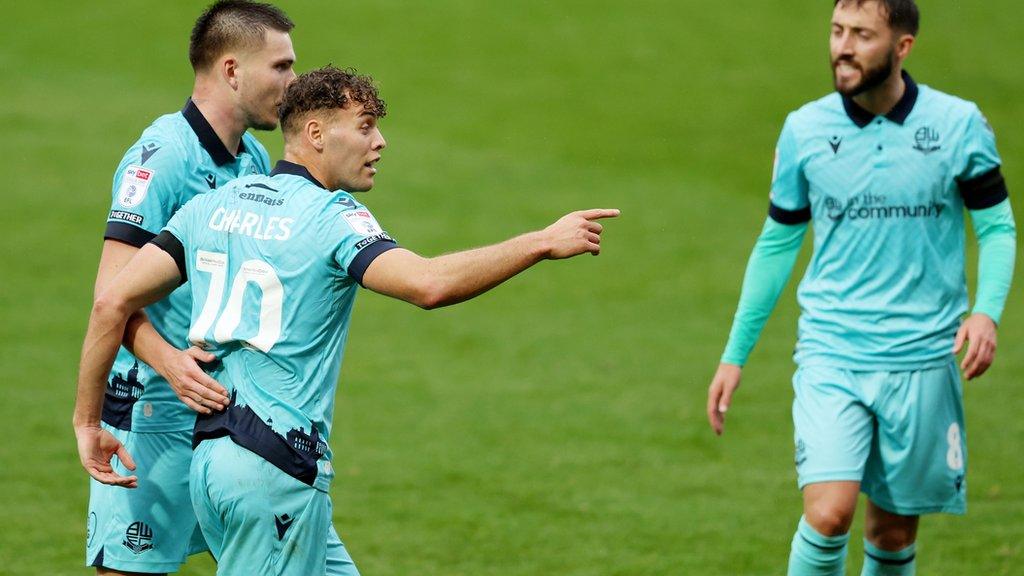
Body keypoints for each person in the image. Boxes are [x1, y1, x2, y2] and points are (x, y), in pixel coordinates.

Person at [75, 65, 619, 576]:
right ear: (315, 133)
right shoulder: (331, 216)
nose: (379, 142)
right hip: (275, 471)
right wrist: (542, 241)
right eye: (365, 127)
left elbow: (109, 303)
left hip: (215, 465)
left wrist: (86, 422)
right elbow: (428, 285)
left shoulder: (213, 205)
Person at [705, 1, 1016, 574]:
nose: (843, 47)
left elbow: (997, 228)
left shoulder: (957, 125)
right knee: (828, 514)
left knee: (893, 535)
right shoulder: (806, 129)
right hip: (834, 352)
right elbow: (777, 245)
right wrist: (734, 354)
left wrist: (986, 312)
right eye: (837, 31)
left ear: (902, 48)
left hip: (923, 357)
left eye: (862, 35)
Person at [72, 1, 297, 573]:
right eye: (281, 67)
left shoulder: (252, 158)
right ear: (231, 70)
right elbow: (111, 298)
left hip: (225, 415)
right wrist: (169, 366)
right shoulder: (163, 158)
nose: (292, 84)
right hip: (153, 414)